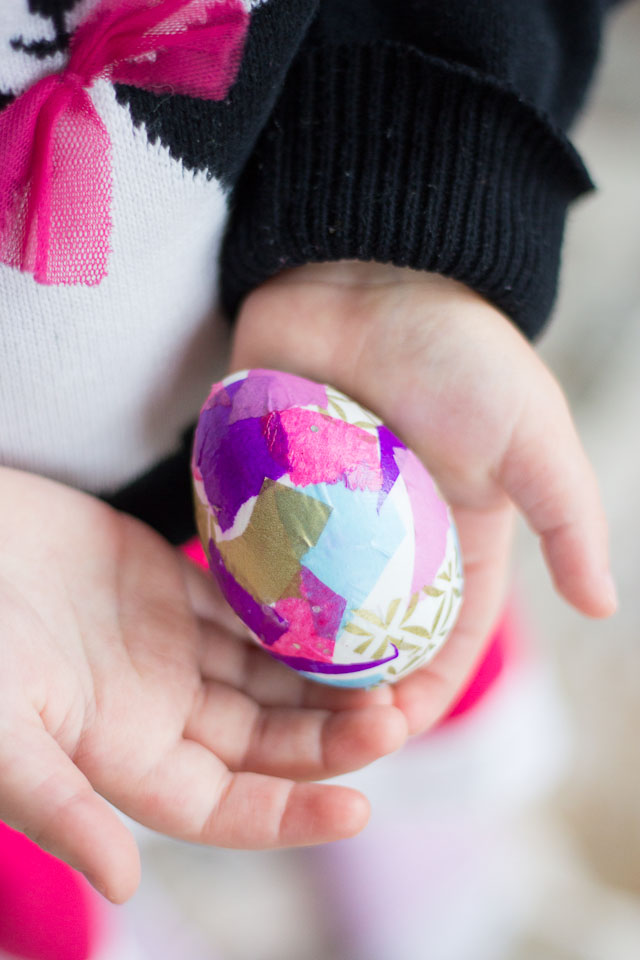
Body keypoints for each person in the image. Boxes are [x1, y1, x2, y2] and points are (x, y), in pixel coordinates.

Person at [0, 1, 620, 957]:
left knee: (410, 671)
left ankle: (442, 867)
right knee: (41, 854)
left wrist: (396, 231)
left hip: (289, 324)